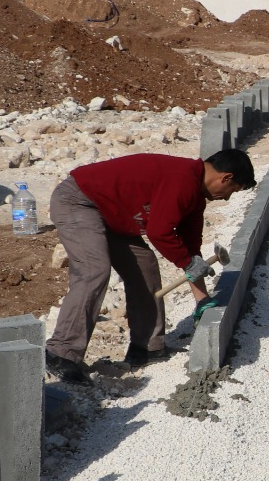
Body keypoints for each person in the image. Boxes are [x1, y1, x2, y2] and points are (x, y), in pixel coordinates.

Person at [45, 149, 256, 383]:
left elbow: (191, 254)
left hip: (115, 216)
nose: (226, 198)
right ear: (225, 178)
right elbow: (159, 232)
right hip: (80, 201)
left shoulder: (195, 198)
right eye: (231, 191)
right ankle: (61, 352)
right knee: (94, 269)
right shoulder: (183, 179)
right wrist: (187, 262)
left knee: (145, 265)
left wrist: (203, 301)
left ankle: (146, 347)